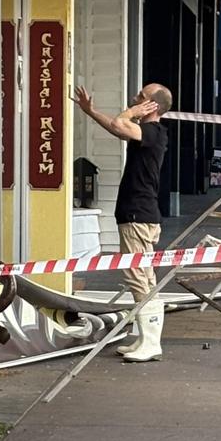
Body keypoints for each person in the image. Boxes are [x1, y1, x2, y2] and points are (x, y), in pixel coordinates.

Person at [72, 82, 174, 363]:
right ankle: (145, 338)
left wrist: (132, 111)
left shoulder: (152, 132)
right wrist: (90, 111)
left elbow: (120, 123)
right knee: (144, 278)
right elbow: (116, 127)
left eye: (141, 97)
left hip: (138, 216)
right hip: (138, 215)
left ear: (152, 106)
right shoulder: (147, 133)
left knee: (138, 278)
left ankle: (151, 343)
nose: (135, 97)